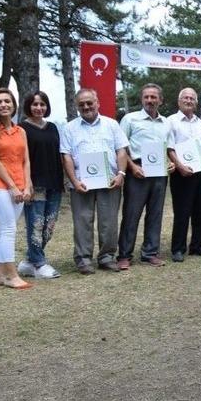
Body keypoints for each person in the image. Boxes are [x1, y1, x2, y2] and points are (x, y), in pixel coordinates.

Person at [60, 88, 129, 274]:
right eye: (81, 104)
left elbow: (121, 150)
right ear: (77, 107)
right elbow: (66, 156)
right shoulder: (69, 128)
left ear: (97, 103)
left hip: (110, 181)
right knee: (82, 221)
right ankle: (83, 259)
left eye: (89, 103)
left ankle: (107, 257)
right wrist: (74, 181)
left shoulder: (112, 125)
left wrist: (121, 174)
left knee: (109, 221)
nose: (86, 107)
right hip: (81, 183)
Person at [116, 83, 174, 270]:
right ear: (142, 99)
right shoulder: (130, 119)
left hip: (159, 173)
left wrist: (171, 163)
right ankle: (124, 255)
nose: (150, 100)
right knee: (131, 214)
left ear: (160, 100)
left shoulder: (166, 123)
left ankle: (150, 253)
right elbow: (121, 147)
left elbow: (169, 148)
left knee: (155, 214)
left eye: (153, 97)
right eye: (146, 97)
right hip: (137, 170)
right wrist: (132, 167)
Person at [0, 88, 33, 288]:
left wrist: (27, 185)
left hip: (19, 187)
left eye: (7, 101)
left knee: (4, 228)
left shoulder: (21, 131)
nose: (3, 105)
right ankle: (11, 276)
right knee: (9, 228)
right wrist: (12, 187)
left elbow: (26, 161)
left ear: (13, 105)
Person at [18, 91, 63, 279]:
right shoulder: (21, 128)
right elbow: (20, 158)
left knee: (49, 226)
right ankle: (39, 264)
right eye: (35, 104)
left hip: (54, 182)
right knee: (36, 225)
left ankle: (29, 262)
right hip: (34, 183)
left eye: (42, 104)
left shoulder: (52, 127)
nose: (38, 108)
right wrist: (25, 183)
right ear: (28, 106)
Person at [167, 87, 201, 262]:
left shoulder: (200, 123)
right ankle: (178, 249)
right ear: (179, 101)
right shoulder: (171, 121)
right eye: (186, 98)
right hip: (182, 174)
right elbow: (169, 148)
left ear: (196, 102)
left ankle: (197, 246)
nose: (189, 101)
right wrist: (180, 166)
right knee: (182, 212)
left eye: (192, 98)